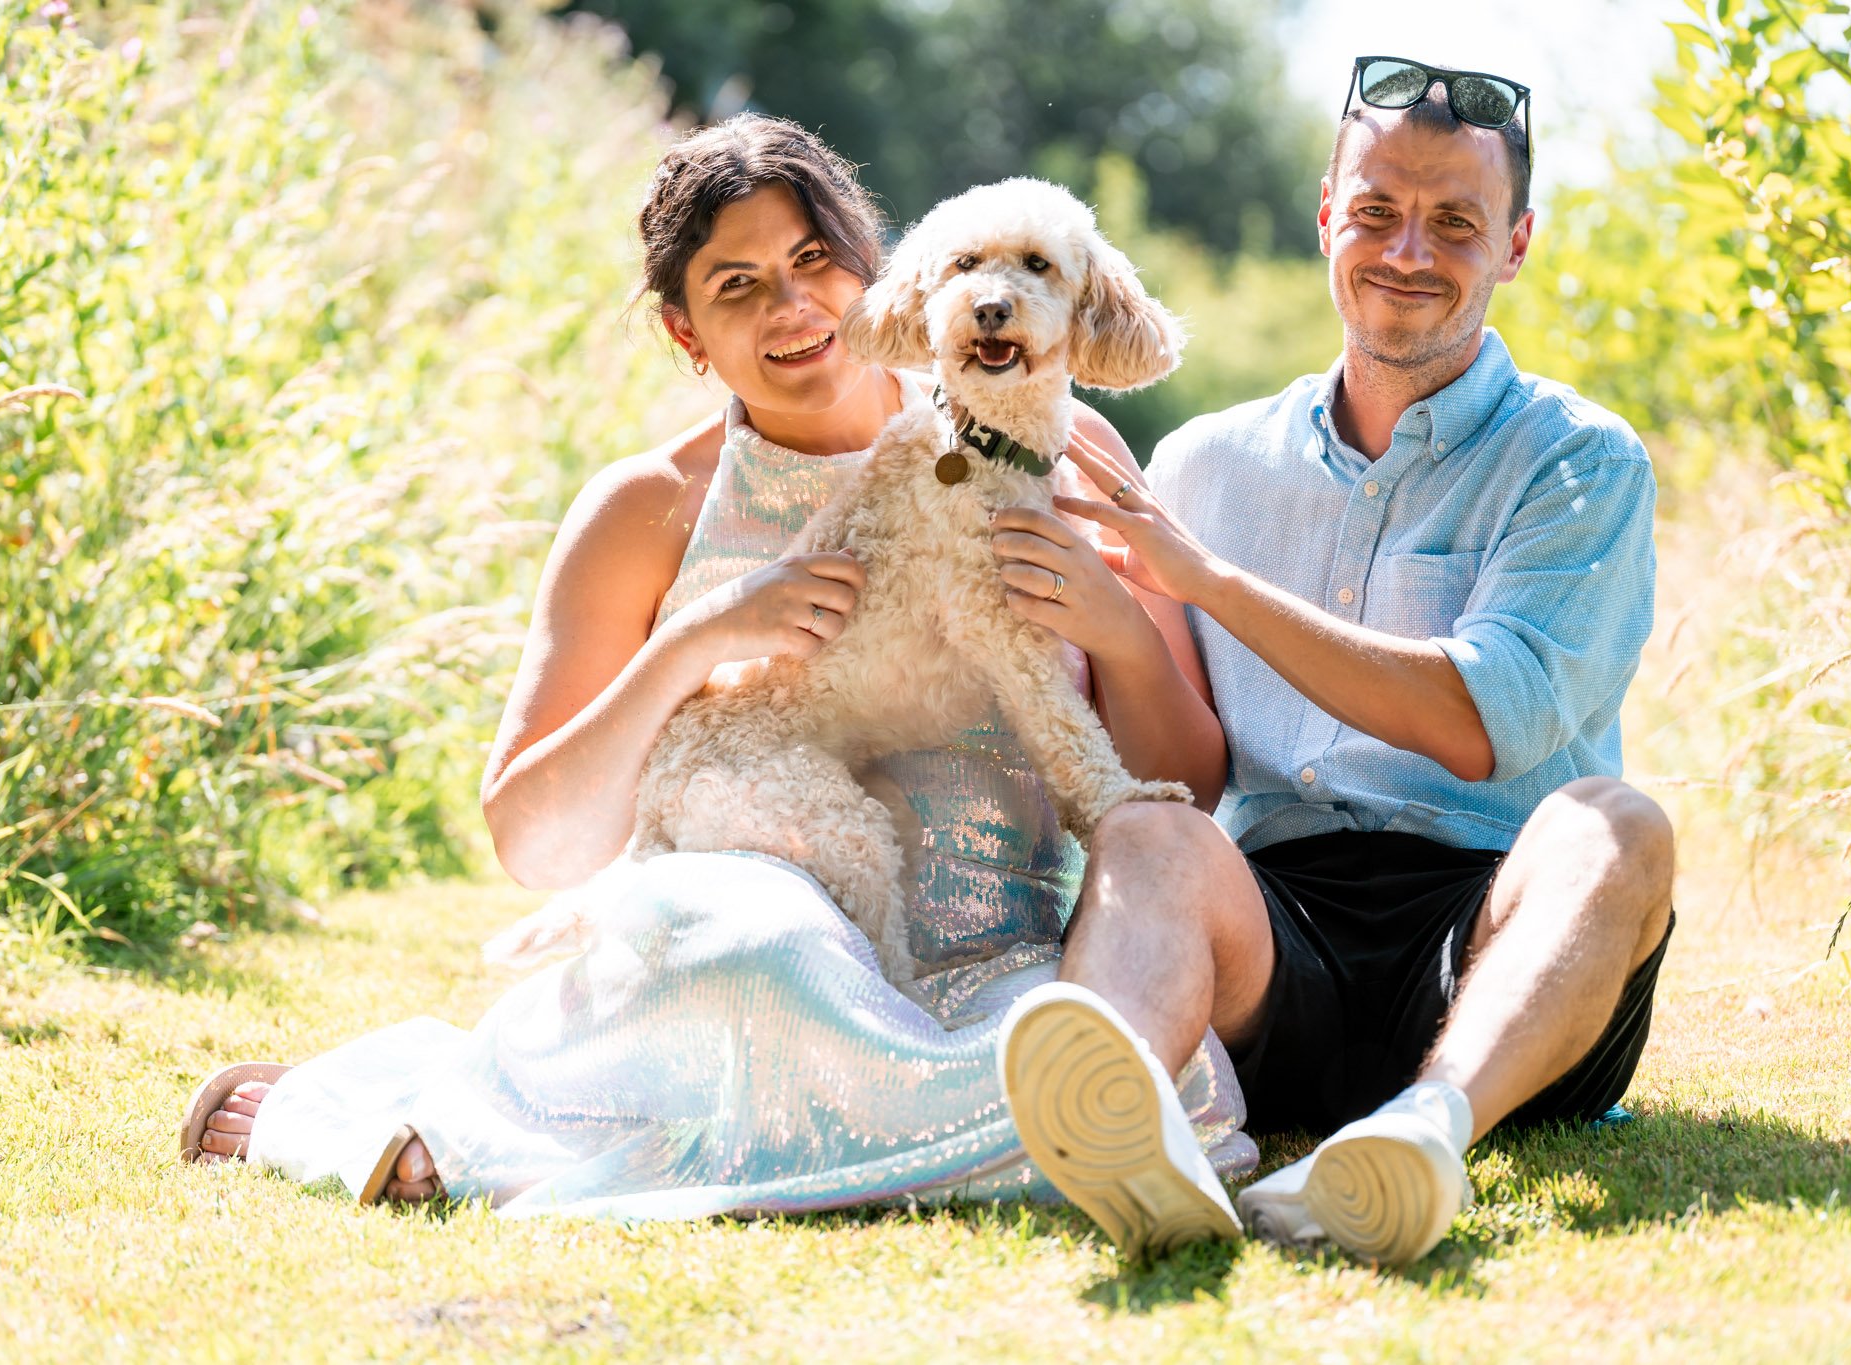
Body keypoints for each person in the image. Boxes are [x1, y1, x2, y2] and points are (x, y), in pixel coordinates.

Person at [183, 114, 1258, 1240]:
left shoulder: (1057, 444)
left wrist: (1122, 632)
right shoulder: (647, 508)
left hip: (998, 945)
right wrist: (693, 646)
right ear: (685, 333)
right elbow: (535, 844)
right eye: (735, 284)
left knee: (1138, 1055)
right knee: (764, 952)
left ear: (878, 266)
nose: (791, 308)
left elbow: (1182, 779)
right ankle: (1014, 1140)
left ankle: (937, 1118)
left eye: (811, 262)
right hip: (752, 940)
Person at [1034, 58, 1675, 1267]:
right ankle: (1128, 1137)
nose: (1406, 251)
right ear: (1325, 214)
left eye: (1454, 223)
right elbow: (1184, 766)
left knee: (1618, 825)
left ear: (1516, 244)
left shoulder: (1580, 461)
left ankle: (1426, 1136)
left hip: (1500, 940)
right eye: (1375, 212)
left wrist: (1210, 585)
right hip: (1275, 937)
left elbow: (1483, 718)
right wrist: (1123, 626)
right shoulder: (1201, 467)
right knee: (1145, 830)